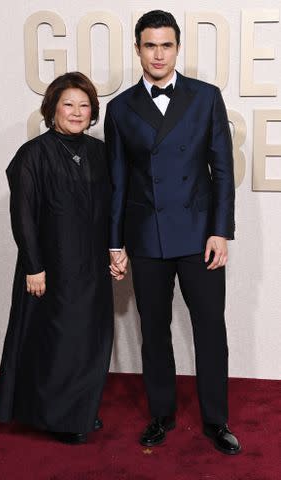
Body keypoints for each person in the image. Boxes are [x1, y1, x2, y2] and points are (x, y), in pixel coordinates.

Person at [105, 10, 241, 455]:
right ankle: (161, 415)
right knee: (155, 331)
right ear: (138, 49)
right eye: (150, 45)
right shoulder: (120, 107)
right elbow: (118, 181)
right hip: (146, 237)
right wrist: (115, 241)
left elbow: (222, 170)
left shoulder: (205, 97)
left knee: (209, 329)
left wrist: (220, 231)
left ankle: (216, 420)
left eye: (166, 45)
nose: (158, 54)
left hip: (201, 235)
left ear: (177, 48)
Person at [0, 72, 114, 445]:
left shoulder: (99, 152)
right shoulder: (32, 155)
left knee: (90, 341)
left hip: (92, 266)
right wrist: (34, 265)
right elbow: (24, 214)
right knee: (56, 343)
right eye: (69, 104)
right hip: (50, 267)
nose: (77, 112)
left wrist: (117, 248)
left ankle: (80, 412)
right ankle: (55, 417)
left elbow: (113, 207)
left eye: (84, 105)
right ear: (52, 108)